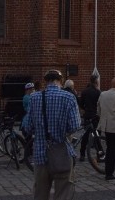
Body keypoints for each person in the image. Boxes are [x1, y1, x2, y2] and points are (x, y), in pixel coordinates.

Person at [25, 69, 82, 200]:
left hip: (40, 153)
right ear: (61, 81)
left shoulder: (34, 97)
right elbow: (75, 125)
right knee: (63, 191)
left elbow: (27, 126)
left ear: (46, 81)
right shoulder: (68, 97)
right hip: (61, 152)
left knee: (40, 192)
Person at [97, 77, 115, 181]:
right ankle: (109, 172)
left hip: (105, 125)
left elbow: (99, 109)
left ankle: (108, 170)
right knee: (113, 150)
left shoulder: (103, 94)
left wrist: (102, 118)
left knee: (109, 148)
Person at [77, 74, 100, 162]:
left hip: (87, 115)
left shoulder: (84, 91)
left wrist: (85, 109)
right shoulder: (98, 92)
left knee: (85, 136)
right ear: (95, 81)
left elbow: (81, 103)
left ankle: (82, 154)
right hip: (95, 116)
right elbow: (99, 104)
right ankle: (99, 153)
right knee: (96, 134)